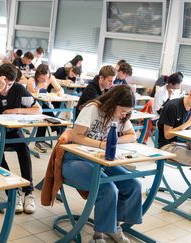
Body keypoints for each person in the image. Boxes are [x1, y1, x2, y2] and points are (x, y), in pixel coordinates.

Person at [63, 85, 141, 243]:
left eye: (127, 112)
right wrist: (101, 145)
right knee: (107, 188)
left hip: (100, 161)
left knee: (133, 184)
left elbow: (132, 135)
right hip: (74, 160)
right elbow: (76, 136)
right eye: (122, 111)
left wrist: (115, 140)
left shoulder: (121, 115)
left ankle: (114, 226)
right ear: (112, 103)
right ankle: (99, 235)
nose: (124, 115)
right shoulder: (92, 108)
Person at [0, 63, 42, 214]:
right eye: (4, 83)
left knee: (24, 148)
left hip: (12, 130)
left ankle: (28, 191)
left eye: (10, 84)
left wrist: (16, 110)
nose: (7, 88)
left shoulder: (19, 89)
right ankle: (13, 191)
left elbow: (38, 109)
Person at [157, 84, 191, 219]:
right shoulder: (173, 106)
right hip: (167, 146)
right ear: (190, 93)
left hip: (184, 143)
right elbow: (167, 135)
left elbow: (185, 132)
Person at [26, 64, 64, 153]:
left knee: (45, 114)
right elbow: (32, 95)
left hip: (45, 104)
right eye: (43, 79)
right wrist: (39, 86)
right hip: (32, 106)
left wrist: (60, 92)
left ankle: (41, 140)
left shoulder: (50, 78)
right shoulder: (31, 81)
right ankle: (57, 129)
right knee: (45, 116)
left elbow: (60, 89)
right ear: (37, 76)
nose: (45, 81)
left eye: (47, 78)